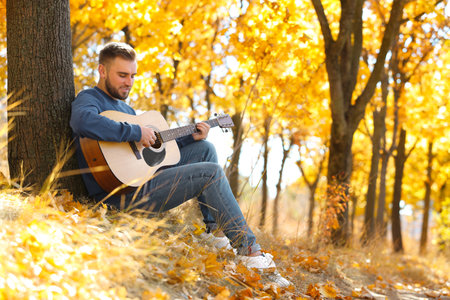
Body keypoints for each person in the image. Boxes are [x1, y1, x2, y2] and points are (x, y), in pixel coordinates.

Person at [70, 42, 290, 287]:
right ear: (102, 71)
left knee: (205, 149)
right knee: (212, 173)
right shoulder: (90, 99)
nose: (129, 82)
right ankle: (251, 254)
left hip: (143, 182)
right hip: (118, 198)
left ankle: (214, 232)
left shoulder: (127, 109)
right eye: (122, 75)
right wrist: (134, 131)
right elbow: (82, 122)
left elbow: (153, 158)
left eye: (132, 76)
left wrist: (189, 137)